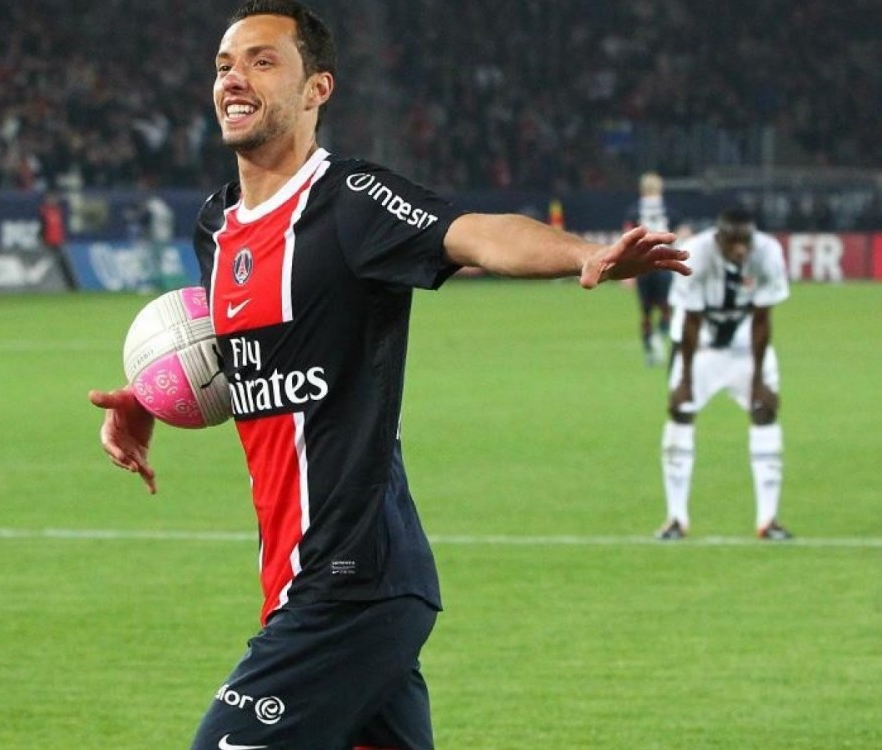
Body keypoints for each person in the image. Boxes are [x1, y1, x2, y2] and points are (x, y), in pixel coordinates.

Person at [89, 2, 689, 748]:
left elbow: (472, 234)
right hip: (302, 582)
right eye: (224, 66)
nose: (234, 79)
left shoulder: (348, 202)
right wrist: (152, 398)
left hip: (351, 581)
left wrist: (583, 255)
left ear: (317, 89)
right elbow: (254, 351)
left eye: (262, 62)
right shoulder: (214, 227)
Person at [656, 207, 791, 542]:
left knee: (765, 412)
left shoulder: (768, 253)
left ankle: (768, 520)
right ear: (719, 238)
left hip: (746, 345)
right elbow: (690, 321)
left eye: (746, 241)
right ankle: (676, 518)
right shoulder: (694, 255)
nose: (741, 249)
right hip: (700, 345)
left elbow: (762, 318)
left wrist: (758, 380)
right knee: (680, 412)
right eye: (733, 241)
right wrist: (685, 380)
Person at [626, 171, 673, 366]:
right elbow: (682, 233)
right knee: (666, 308)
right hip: (663, 264)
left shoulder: (634, 211)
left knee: (646, 312)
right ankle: (659, 336)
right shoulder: (668, 210)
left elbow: (627, 239)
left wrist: (626, 271)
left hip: (642, 266)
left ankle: (649, 350)